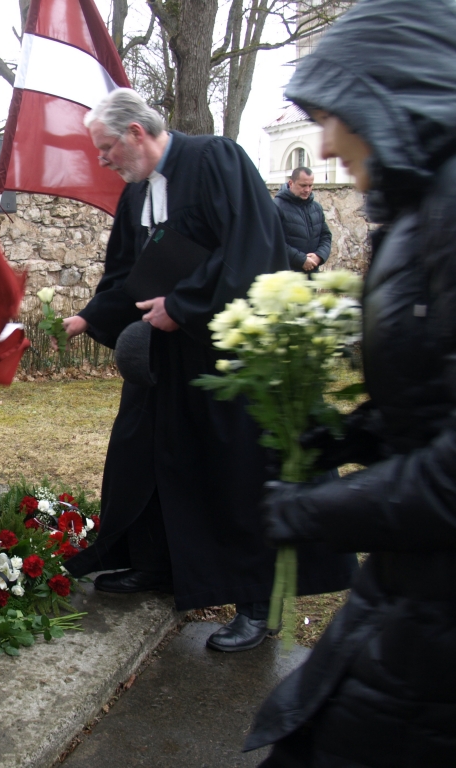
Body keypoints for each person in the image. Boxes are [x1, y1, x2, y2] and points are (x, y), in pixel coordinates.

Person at [61, 88, 355, 652]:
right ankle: (155, 563)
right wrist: (87, 317)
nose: (103, 162)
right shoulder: (135, 195)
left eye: (105, 149)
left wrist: (186, 306)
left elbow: (248, 245)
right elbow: (129, 273)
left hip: (228, 350)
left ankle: (257, 601)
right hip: (165, 358)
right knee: (146, 454)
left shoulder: (216, 158)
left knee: (235, 471)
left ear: (135, 134)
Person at [247, 0, 456, 763]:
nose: (325, 142)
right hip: (413, 589)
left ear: (394, 97)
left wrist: (320, 510)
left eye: (337, 115)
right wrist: (349, 431)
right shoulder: (417, 211)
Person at [274, 166, 332, 273]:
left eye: (310, 185)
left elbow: (326, 236)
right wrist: (301, 260)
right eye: (303, 185)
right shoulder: (276, 207)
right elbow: (275, 241)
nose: (307, 190)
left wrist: (319, 256)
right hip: (287, 276)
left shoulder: (316, 208)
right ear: (291, 183)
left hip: (312, 275)